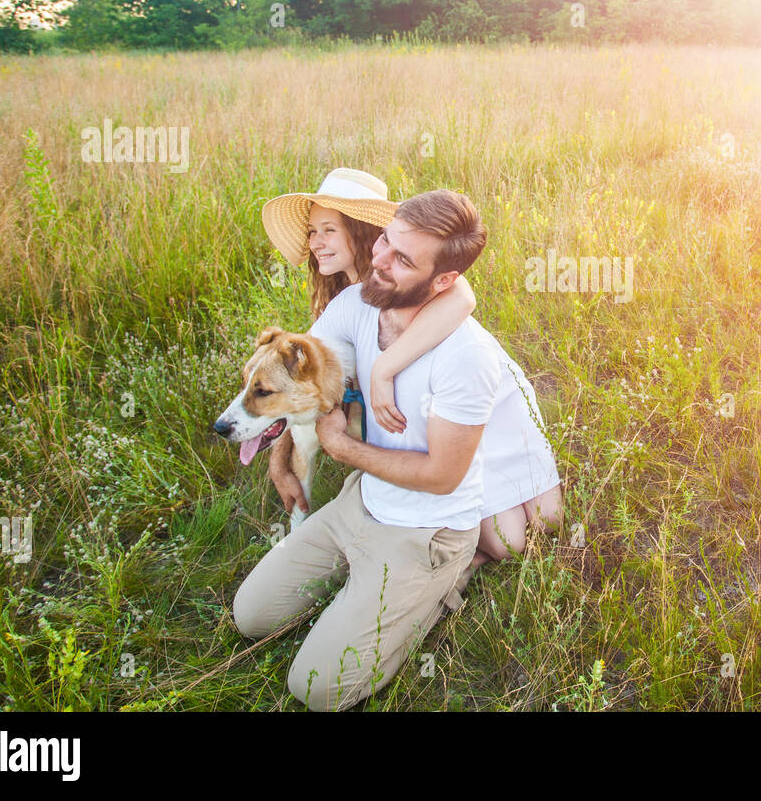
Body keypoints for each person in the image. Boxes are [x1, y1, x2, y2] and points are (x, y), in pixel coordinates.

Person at [232, 178, 559, 710]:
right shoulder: (358, 302)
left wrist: (346, 449)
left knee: (315, 691)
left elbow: (442, 476)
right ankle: (364, 586)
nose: (380, 260)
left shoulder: (465, 356)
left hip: (424, 528)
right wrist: (280, 453)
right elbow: (300, 379)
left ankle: (442, 581)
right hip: (361, 502)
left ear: (443, 280)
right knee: (250, 616)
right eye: (386, 241)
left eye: (402, 258)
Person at [259, 168, 561, 565]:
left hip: (480, 401)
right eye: (312, 231)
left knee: (547, 522)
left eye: (329, 230)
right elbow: (305, 384)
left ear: (361, 231)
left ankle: (471, 532)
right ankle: (464, 533)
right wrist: (279, 462)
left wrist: (383, 369)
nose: (316, 242)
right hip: (428, 421)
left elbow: (462, 296)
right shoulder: (344, 298)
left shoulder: (401, 276)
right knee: (509, 542)